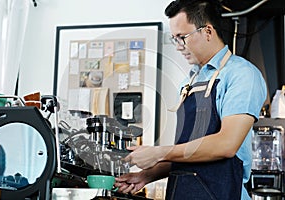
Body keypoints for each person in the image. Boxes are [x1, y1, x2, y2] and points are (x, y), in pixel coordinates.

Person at [114, 0, 267, 199]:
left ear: (208, 32)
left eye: (182, 37)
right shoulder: (188, 84)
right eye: (174, 39)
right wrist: (147, 175)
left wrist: (159, 153)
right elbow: (190, 152)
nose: (178, 47)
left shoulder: (242, 74)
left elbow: (226, 144)